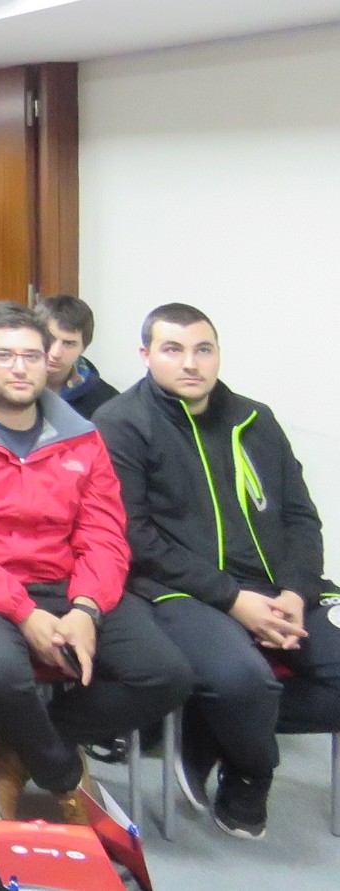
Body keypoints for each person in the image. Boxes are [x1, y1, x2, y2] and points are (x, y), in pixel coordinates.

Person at [0, 302, 193, 827]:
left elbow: (105, 532)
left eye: (32, 355)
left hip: (65, 581)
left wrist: (84, 608)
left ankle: (22, 744)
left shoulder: (80, 432)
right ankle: (58, 769)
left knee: (164, 674)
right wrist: (24, 613)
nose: (20, 367)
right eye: (5, 355)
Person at [94, 303, 340, 840]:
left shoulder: (256, 418)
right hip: (181, 591)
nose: (191, 363)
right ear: (146, 355)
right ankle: (252, 771)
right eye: (173, 349)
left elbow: (301, 516)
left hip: (282, 587)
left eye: (203, 349)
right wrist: (233, 599)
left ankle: (207, 729)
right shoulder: (120, 423)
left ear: (217, 354)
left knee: (263, 690)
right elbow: (136, 538)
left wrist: (297, 591)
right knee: (241, 679)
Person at [35, 294, 118, 418]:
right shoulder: (7, 386)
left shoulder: (108, 403)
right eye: (49, 338)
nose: (55, 353)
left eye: (68, 343)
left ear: (83, 347)